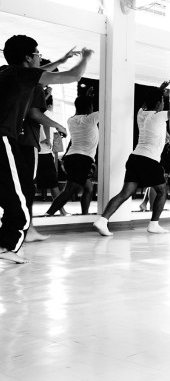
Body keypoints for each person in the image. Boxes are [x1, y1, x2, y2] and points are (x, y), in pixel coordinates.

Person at [1, 35, 92, 263]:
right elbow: (73, 76)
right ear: (28, 57)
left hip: (7, 139)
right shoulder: (22, 75)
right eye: (37, 54)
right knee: (20, 203)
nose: (40, 57)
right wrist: (86, 57)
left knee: (19, 190)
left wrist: (61, 59)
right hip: (2, 138)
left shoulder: (6, 71)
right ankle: (5, 246)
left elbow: (37, 72)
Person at [93, 80, 170, 237]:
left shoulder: (141, 114)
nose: (163, 104)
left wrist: (160, 89)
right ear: (158, 103)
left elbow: (147, 102)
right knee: (162, 191)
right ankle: (154, 224)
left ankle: (102, 220)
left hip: (135, 158)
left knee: (125, 193)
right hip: (149, 160)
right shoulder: (159, 116)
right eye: (162, 101)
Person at [46, 92, 99, 216]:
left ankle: (84, 215)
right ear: (89, 107)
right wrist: (91, 98)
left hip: (72, 157)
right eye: (91, 106)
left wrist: (89, 98)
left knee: (88, 188)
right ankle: (48, 214)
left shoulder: (71, 120)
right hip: (82, 159)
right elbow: (105, 110)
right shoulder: (90, 119)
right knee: (69, 190)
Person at [36, 93, 68, 216]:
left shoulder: (37, 112)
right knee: (53, 183)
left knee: (50, 183)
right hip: (43, 151)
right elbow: (46, 124)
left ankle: (60, 210)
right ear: (50, 104)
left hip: (40, 150)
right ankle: (62, 210)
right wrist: (48, 138)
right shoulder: (46, 113)